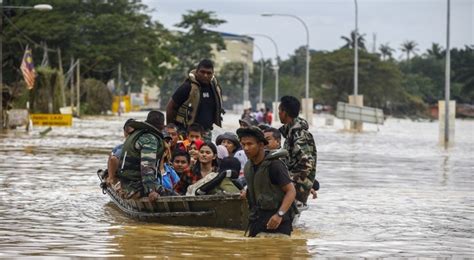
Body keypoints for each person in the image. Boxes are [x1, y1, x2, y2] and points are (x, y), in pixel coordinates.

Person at [237, 126, 296, 237]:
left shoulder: (275, 165)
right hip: (256, 220)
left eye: (250, 144)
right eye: (243, 144)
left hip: (277, 223)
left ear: (261, 145)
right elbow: (258, 186)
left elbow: (291, 191)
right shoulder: (248, 166)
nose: (245, 148)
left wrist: (279, 215)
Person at [166, 59, 224, 142]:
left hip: (205, 132)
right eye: (202, 72)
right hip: (186, 131)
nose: (205, 75)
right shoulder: (187, 87)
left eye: (209, 73)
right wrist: (171, 128)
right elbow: (171, 107)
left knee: (205, 154)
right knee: (185, 154)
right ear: (197, 72)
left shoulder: (215, 89)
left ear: (212, 74)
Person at [117, 111, 166, 202]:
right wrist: (151, 191)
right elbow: (147, 167)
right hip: (134, 186)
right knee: (167, 193)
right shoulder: (150, 139)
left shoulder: (137, 134)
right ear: (162, 126)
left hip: (126, 182)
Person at [278, 96, 318, 204]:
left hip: (297, 189)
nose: (278, 113)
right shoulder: (291, 132)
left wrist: (288, 182)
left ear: (285, 112)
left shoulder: (299, 135)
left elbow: (307, 164)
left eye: (279, 110)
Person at [107, 118, 135, 185]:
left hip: (125, 181)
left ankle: (111, 178)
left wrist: (111, 178)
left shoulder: (118, 149)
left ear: (125, 132)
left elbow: (112, 159)